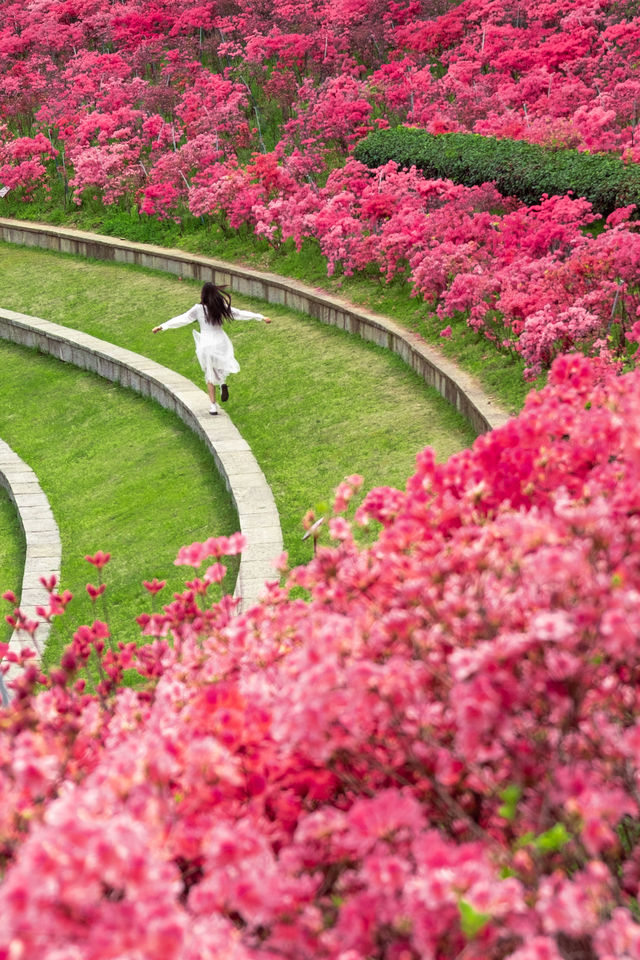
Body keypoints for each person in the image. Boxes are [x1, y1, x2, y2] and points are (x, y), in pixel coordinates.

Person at [152, 282, 271, 415]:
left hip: (206, 343)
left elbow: (183, 319)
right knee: (218, 366)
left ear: (203, 294)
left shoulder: (198, 309)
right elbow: (239, 313)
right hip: (221, 341)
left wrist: (162, 326)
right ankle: (222, 383)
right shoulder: (220, 307)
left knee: (209, 371)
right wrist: (260, 317)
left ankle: (213, 406)